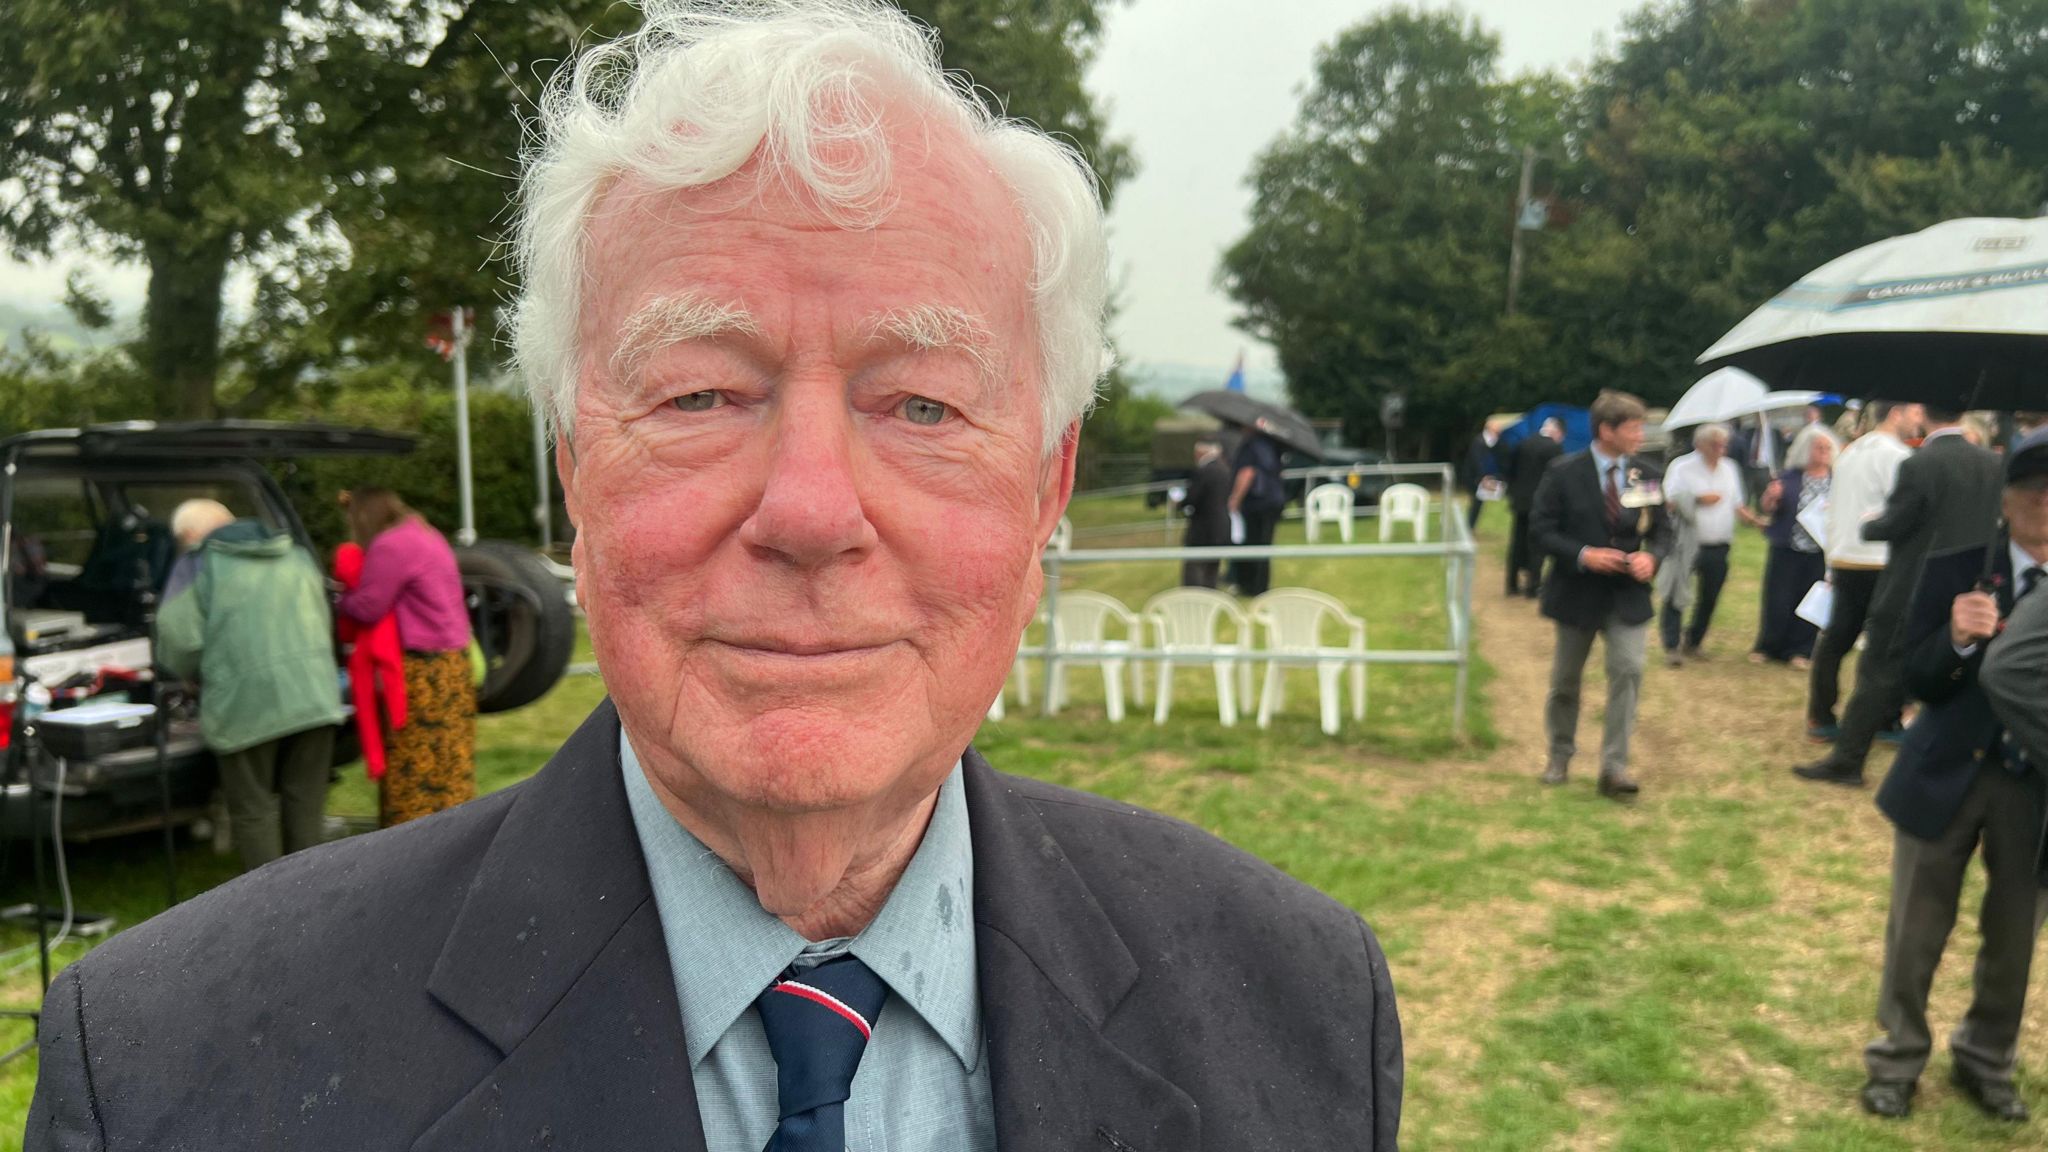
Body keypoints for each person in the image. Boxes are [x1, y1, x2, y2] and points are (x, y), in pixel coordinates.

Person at [25, 5, 1404, 1148]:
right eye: (697, 394)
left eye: (922, 405)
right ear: (576, 474)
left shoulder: (1300, 1009)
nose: (811, 513)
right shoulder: (171, 1074)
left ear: (1045, 489)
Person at [1856, 430, 2048, 1123]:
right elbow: (1908, 672)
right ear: (2005, 498)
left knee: (2015, 935)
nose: (2044, 504)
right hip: (1946, 772)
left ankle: (1986, 1059)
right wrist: (1958, 639)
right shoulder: (1960, 566)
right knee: (1916, 927)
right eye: (2031, 488)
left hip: (2034, 789)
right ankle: (1897, 1058)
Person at [1795, 408, 2003, 787]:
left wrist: (1870, 522)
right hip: (1968, 583)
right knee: (1955, 670)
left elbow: (1895, 523)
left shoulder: (1918, 463)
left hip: (1913, 584)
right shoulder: (1992, 464)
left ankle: (1847, 760)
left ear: (1925, 414)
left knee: (1878, 670)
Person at [153, 499, 344, 873]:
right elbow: (324, 617)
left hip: (245, 704)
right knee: (305, 800)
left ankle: (272, 905)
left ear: (191, 535)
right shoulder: (295, 553)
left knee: (253, 809)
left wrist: (190, 676)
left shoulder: (198, 562)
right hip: (314, 696)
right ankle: (312, 891)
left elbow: (178, 639)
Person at [1531, 390, 1673, 801]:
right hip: (1577, 593)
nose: (1640, 434)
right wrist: (1584, 555)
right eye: (1633, 427)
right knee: (1565, 681)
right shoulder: (1562, 472)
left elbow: (1664, 531)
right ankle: (1559, 754)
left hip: (1627, 595)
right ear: (1606, 430)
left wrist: (1654, 559)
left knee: (1628, 672)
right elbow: (1540, 531)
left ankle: (1614, 767)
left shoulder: (1645, 473)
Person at [334, 488, 476, 827]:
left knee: (414, 763)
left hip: (423, 669)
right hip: (453, 664)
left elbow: (369, 606)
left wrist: (339, 601)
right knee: (448, 760)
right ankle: (454, 833)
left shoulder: (392, 545)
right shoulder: (423, 532)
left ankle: (413, 842)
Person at [1806, 402, 1922, 741]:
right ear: (1896, 412)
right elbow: (1902, 511)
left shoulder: (1850, 452)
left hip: (1845, 556)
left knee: (1835, 640)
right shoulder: (1898, 456)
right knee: (1887, 645)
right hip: (1881, 559)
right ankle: (1885, 719)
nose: (1920, 420)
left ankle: (1820, 716)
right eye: (1915, 412)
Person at [1656, 423, 1755, 666]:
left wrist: (1756, 520)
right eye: (1715, 444)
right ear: (1699, 444)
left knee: (1710, 596)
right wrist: (1697, 499)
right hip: (1687, 542)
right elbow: (1668, 501)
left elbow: (1737, 503)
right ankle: (1671, 645)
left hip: (1719, 542)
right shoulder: (1681, 467)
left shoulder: (1730, 468)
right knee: (1677, 592)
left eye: (1724, 444)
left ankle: (1694, 640)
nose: (1721, 449)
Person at [1750, 425, 1838, 667]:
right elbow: (1768, 508)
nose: (1823, 452)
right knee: (1778, 598)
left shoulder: (1837, 481)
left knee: (1810, 599)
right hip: (1787, 547)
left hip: (1818, 551)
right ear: (1805, 450)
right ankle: (1768, 646)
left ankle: (1801, 650)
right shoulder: (1788, 478)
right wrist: (1771, 496)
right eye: (1818, 447)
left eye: (1827, 448)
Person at [1506, 417, 1565, 597]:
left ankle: (1511, 584)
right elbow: (1557, 477)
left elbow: (1511, 470)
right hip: (1540, 503)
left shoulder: (1523, 443)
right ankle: (1533, 586)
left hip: (1520, 502)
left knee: (1517, 541)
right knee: (1537, 545)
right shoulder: (1554, 448)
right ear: (1558, 432)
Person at [1227, 425, 1288, 597]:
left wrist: (1235, 499)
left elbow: (1247, 473)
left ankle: (1250, 587)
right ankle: (1261, 585)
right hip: (1273, 501)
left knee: (1250, 545)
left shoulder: (1250, 446)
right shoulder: (1272, 445)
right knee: (1264, 545)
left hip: (1256, 502)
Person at [1179, 437, 1232, 588]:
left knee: (1195, 564)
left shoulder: (1204, 471)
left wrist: (1181, 503)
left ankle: (1194, 594)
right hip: (1220, 525)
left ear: (1200, 452)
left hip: (1202, 526)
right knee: (1212, 566)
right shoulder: (1224, 469)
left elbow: (1192, 498)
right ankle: (1210, 592)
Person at [1460, 417, 1503, 532]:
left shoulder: (1495, 441)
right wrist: (1483, 476)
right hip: (1474, 477)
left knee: (1478, 503)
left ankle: (1470, 526)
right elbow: (1476, 460)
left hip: (1485, 477)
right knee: (1476, 502)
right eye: (1497, 428)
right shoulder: (1478, 441)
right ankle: (1469, 527)